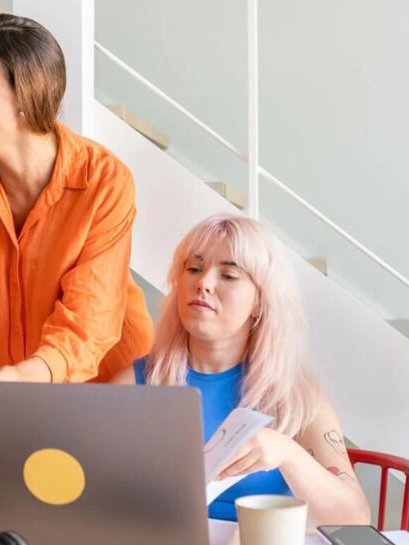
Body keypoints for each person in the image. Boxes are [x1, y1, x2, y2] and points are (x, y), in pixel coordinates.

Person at [0, 14, 153, 386]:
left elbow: (88, 321)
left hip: (107, 390)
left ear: (25, 96)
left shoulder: (103, 180)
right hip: (3, 390)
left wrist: (22, 378)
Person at [116, 214, 370, 525]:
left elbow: (354, 518)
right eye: (193, 269)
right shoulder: (136, 383)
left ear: (261, 302)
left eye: (229, 275)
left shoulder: (296, 397)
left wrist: (287, 452)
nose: (204, 283)